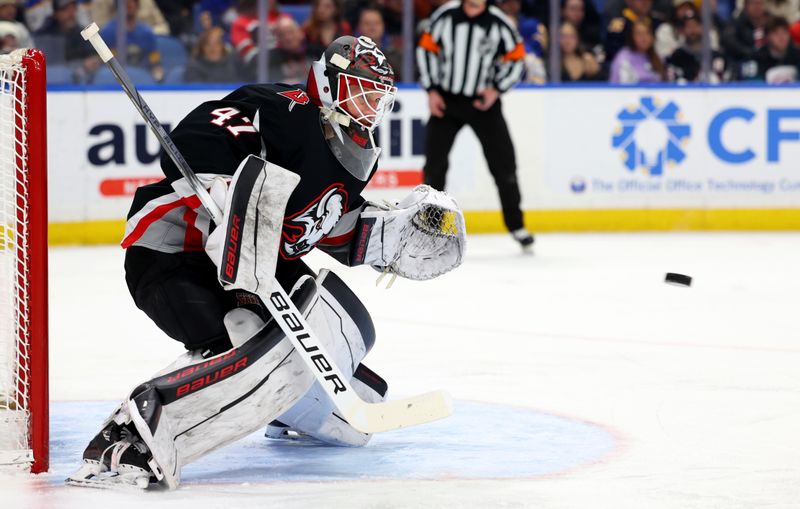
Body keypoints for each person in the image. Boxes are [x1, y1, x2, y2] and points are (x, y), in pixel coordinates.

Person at [66, 34, 465, 490]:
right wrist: (222, 183)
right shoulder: (279, 107)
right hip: (176, 251)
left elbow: (327, 227)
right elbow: (191, 141)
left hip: (257, 266)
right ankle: (127, 437)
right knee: (245, 339)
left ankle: (290, 411)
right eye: (364, 91)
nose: (372, 106)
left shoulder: (354, 159)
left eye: (379, 97)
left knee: (344, 342)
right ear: (332, 83)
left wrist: (388, 240)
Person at [417, 0, 534, 250]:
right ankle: (431, 225)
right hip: (447, 101)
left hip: (483, 105)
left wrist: (497, 89)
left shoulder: (499, 22)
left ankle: (517, 225)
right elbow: (426, 49)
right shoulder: (445, 16)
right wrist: (432, 90)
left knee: (505, 166)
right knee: (434, 166)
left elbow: (516, 57)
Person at [99, 0, 164, 81]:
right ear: (118, 7)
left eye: (132, 2)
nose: (129, 4)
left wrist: (158, 75)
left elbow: (155, 60)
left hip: (143, 79)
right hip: (115, 80)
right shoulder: (108, 32)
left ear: (137, 5)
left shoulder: (146, 33)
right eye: (125, 3)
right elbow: (103, 63)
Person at [666, 6, 728, 82]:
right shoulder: (676, 57)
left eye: (696, 25)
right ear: (682, 30)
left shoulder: (716, 56)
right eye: (688, 26)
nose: (693, 30)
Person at [754, 16, 800, 82]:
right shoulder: (758, 57)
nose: (781, 38)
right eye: (776, 33)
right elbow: (753, 86)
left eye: (784, 33)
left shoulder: (797, 55)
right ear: (768, 37)